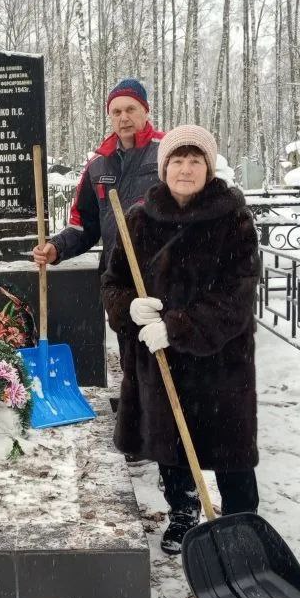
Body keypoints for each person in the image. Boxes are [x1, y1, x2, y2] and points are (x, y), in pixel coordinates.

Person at [101, 124, 260, 556]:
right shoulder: (139, 219)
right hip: (158, 360)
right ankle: (184, 510)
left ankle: (243, 522)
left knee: (231, 449)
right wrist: (129, 308)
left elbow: (237, 295)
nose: (185, 169)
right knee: (170, 442)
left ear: (208, 167)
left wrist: (178, 325)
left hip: (221, 361)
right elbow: (113, 282)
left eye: (195, 161)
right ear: (163, 166)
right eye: (177, 160)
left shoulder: (233, 220)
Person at [31, 78, 163, 273]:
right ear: (110, 117)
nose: (124, 118)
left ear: (146, 111)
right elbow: (84, 226)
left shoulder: (169, 153)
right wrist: (57, 248)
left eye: (131, 109)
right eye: (116, 112)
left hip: (164, 279)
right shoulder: (98, 165)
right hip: (115, 280)